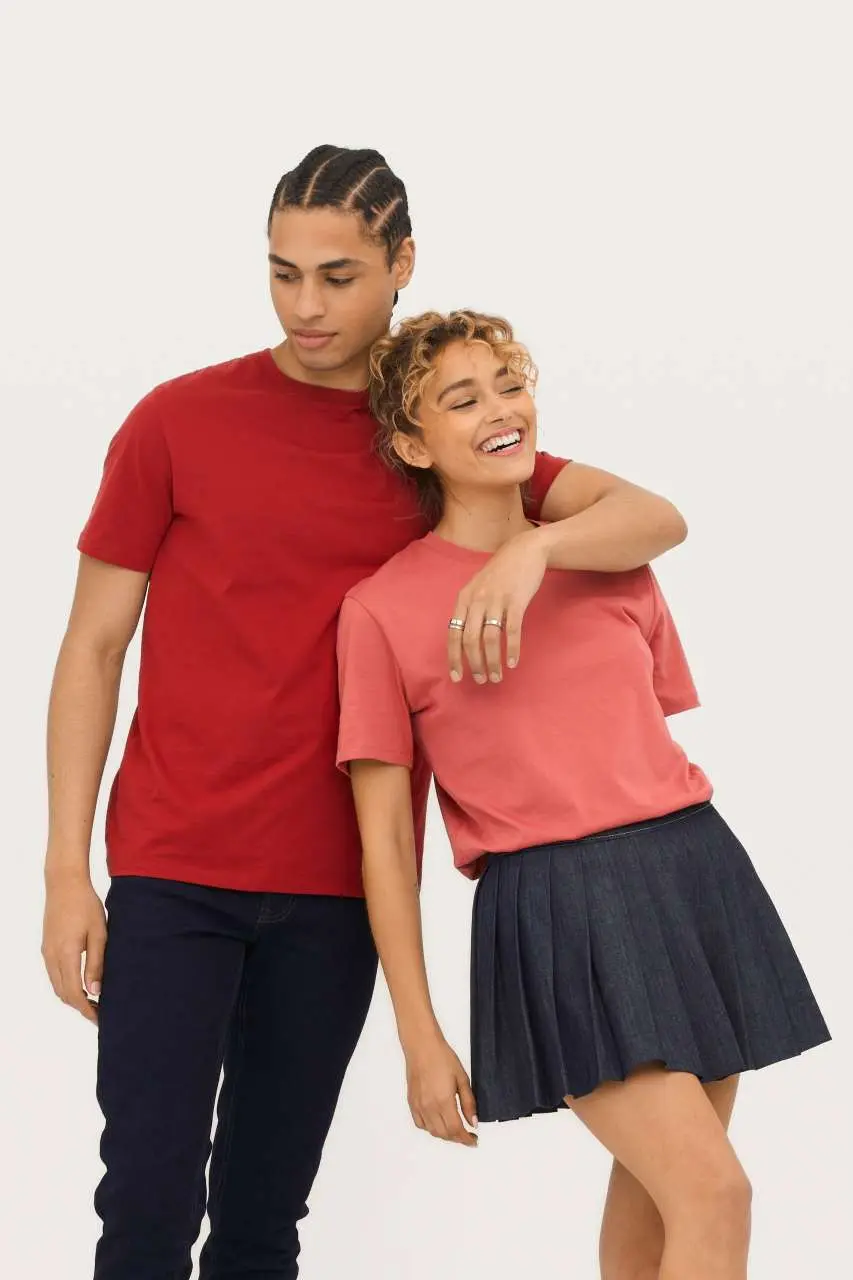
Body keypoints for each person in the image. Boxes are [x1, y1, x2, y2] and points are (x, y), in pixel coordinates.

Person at [40, 148, 688, 1280]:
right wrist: (64, 871)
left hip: (337, 888)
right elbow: (94, 645)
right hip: (173, 868)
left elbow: (650, 517)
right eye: (281, 272)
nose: (305, 305)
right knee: (142, 1207)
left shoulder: (434, 433)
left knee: (262, 1222)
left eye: (337, 276)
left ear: (401, 264)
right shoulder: (177, 421)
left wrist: (532, 549)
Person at [335, 309, 831, 1280]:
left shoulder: (606, 556)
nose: (499, 410)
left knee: (660, 1200)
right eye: (461, 399)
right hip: (559, 907)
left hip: (690, 868)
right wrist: (418, 1034)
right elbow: (385, 847)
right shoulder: (380, 611)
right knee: (714, 1193)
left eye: (509, 386)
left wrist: (532, 550)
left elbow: (661, 529)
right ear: (412, 443)